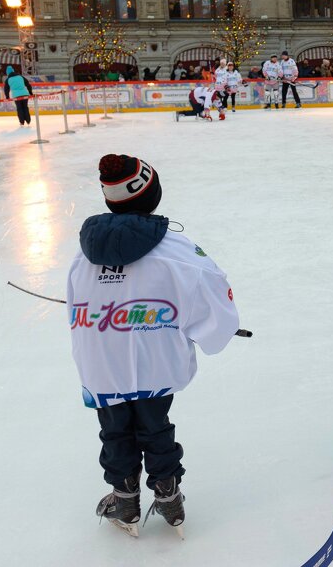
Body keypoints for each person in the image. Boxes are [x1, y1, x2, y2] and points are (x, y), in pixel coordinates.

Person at [69, 154, 240, 536]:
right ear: (153, 196)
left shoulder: (82, 255)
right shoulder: (180, 252)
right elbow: (215, 302)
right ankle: (167, 492)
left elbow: (76, 308)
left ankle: (124, 497)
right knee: (154, 425)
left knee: (114, 428)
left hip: (102, 366)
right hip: (155, 364)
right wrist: (206, 330)